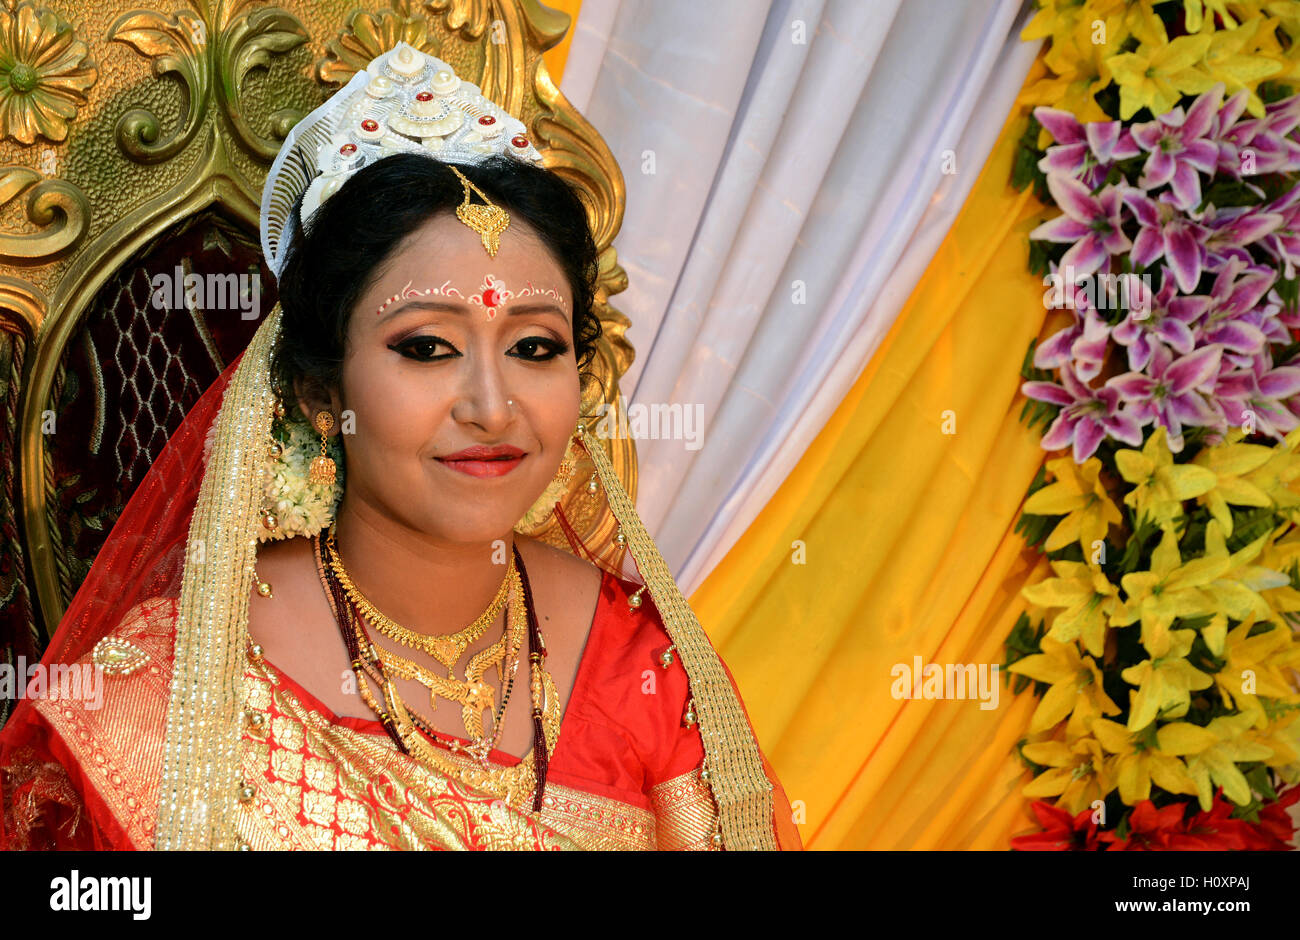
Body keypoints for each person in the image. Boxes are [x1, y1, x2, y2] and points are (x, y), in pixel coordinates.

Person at [0, 42, 801, 851]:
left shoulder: (638, 661)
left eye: (534, 347)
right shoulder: (169, 695)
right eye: (426, 348)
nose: (494, 408)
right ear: (319, 392)